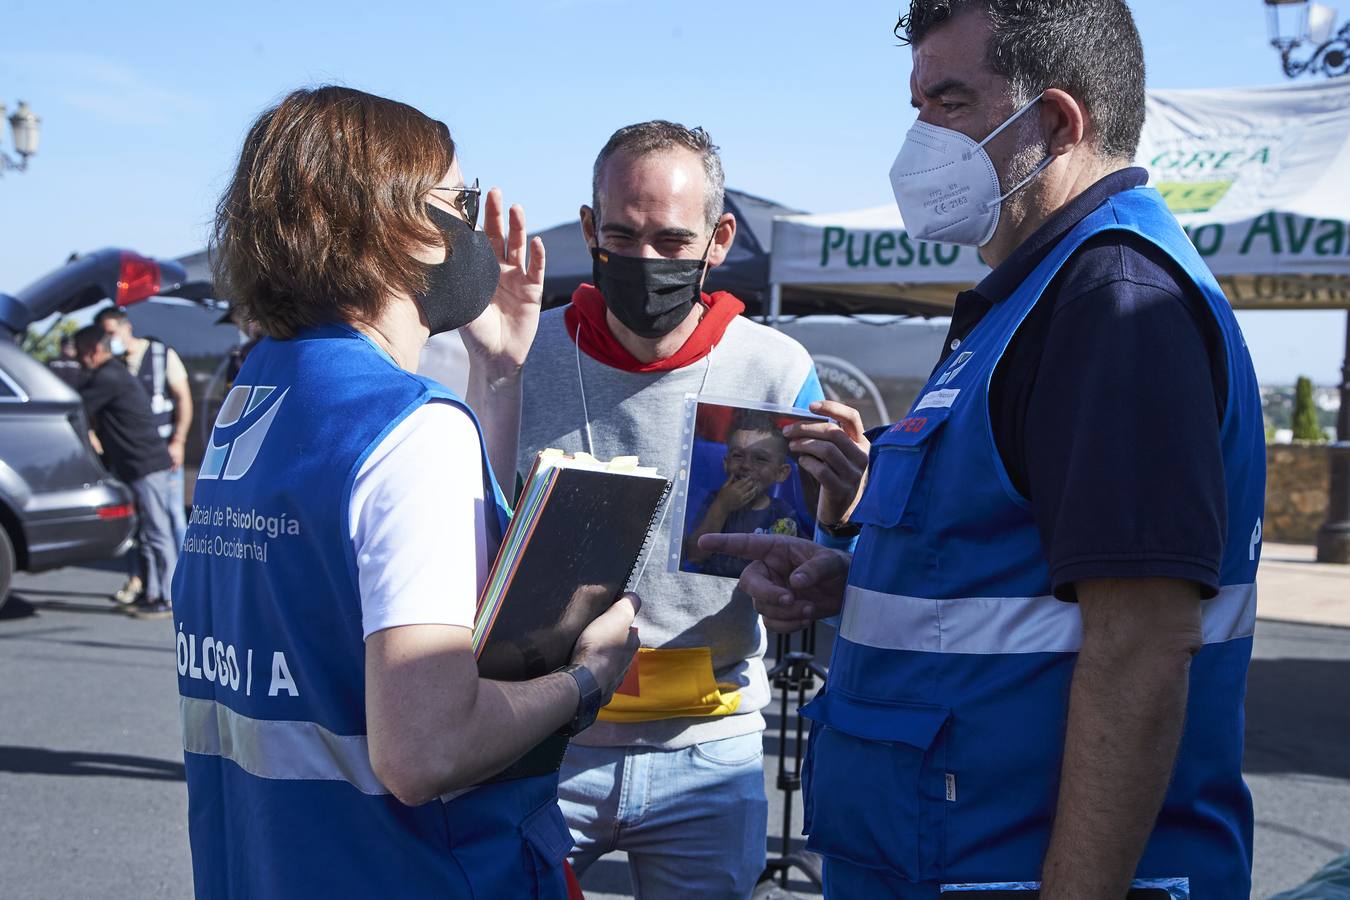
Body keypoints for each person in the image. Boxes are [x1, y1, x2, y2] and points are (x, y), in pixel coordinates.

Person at [700, 3, 1266, 897]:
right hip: (940, 858)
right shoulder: (1031, 302)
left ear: (1055, 123)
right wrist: (866, 579)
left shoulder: (1112, 303)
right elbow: (1028, 572)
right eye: (917, 103)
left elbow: (1143, 645)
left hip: (1002, 869)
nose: (919, 138)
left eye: (949, 103)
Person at [173, 85, 639, 899]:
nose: (470, 229)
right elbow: (424, 753)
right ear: (392, 223)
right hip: (411, 868)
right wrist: (589, 679)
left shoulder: (264, 392)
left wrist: (500, 370)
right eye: (457, 201)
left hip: (269, 863)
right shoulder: (408, 429)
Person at [515, 120, 863, 899]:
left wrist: (842, 508)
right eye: (622, 235)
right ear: (587, 230)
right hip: (540, 742)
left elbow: (814, 549)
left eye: (673, 241)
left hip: (710, 750)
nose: (646, 260)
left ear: (720, 238)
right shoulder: (523, 355)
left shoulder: (774, 367)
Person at [73, 326, 178, 618]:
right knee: (146, 534)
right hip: (135, 466)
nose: (79, 360)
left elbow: (75, 405)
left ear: (95, 350)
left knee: (158, 533)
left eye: (81, 353)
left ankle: (168, 597)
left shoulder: (109, 377)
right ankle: (152, 593)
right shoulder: (112, 374)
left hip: (146, 465)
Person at [96, 305, 193, 548]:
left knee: (172, 516)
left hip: (163, 452)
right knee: (139, 524)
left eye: (111, 332)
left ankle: (182, 579)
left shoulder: (161, 355)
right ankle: (143, 580)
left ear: (126, 327)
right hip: (129, 456)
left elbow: (183, 398)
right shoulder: (112, 366)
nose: (108, 340)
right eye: (103, 335)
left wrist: (179, 442)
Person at [685, 410, 808, 578]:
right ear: (726, 464)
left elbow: (793, 562)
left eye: (760, 459)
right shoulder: (712, 502)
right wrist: (721, 507)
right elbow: (694, 555)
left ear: (781, 473)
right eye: (738, 456)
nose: (746, 465)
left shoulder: (782, 514)